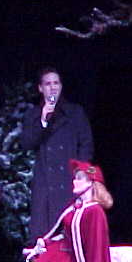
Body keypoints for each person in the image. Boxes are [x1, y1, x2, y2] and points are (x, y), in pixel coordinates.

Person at [21, 66, 93, 243]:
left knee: (70, 234)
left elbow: (86, 143)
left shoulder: (75, 112)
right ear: (40, 88)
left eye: (56, 83)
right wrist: (43, 121)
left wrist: (81, 171)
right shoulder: (33, 114)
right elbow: (27, 143)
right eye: (48, 84)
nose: (52, 87)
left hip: (70, 181)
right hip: (45, 184)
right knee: (45, 234)